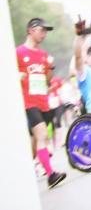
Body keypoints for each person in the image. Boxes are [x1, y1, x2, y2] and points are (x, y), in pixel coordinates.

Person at [16, 18, 66, 189]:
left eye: (46, 31)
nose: (44, 34)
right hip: (28, 102)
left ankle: (20, 175)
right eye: (42, 30)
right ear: (31, 30)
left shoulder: (44, 55)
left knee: (34, 141)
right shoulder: (18, 52)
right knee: (42, 135)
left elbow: (47, 80)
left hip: (43, 102)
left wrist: (50, 67)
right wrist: (17, 76)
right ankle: (51, 175)